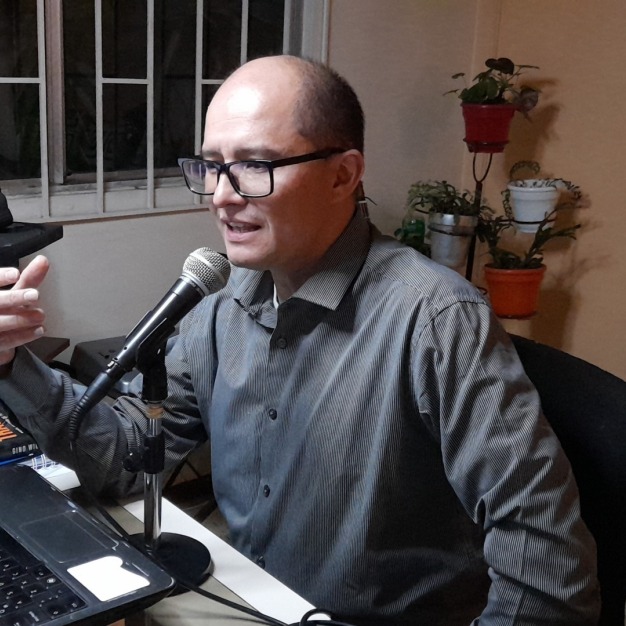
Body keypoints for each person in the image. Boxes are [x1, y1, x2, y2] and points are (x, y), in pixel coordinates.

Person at [0, 55, 600, 625]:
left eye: (255, 166)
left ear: (343, 174)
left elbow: (547, 572)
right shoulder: (224, 301)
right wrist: (10, 361)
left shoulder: (437, 321)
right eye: (212, 166)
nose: (222, 195)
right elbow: (128, 457)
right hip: (251, 596)